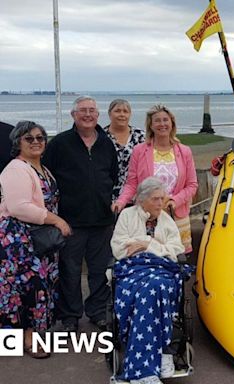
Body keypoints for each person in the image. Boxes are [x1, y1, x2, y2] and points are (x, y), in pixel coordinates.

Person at [43, 96, 118, 332]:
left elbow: (113, 176)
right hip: (69, 220)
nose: (88, 115)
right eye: (83, 110)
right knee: (70, 270)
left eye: (92, 111)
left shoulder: (107, 143)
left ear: (98, 115)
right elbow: (47, 176)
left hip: (102, 220)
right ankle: (70, 316)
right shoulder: (60, 143)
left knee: (99, 271)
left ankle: (97, 311)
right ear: (73, 115)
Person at [0, 121, 71, 358]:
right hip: (19, 240)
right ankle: (28, 338)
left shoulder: (41, 168)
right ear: (18, 142)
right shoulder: (16, 168)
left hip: (39, 239)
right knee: (28, 289)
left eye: (40, 137)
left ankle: (35, 332)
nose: (36, 142)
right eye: (29, 138)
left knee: (43, 287)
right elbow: (19, 207)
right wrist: (57, 221)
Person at [111, 177, 191, 384]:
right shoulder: (127, 216)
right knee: (151, 288)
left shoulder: (166, 220)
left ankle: (147, 365)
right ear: (142, 200)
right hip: (133, 270)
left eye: (162, 199)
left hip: (161, 270)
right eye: (155, 199)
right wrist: (154, 246)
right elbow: (119, 247)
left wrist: (146, 243)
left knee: (155, 286)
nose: (160, 203)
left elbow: (176, 250)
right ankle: (160, 354)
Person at [113, 104, 198, 254]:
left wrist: (175, 200)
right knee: (145, 253)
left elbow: (192, 185)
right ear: (151, 125)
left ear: (172, 123)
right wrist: (120, 202)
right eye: (157, 121)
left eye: (165, 120)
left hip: (175, 213)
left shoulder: (184, 151)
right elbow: (132, 183)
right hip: (147, 215)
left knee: (175, 256)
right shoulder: (140, 151)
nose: (162, 124)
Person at [104, 99, 145, 201]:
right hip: (108, 195)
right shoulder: (101, 137)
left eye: (125, 111)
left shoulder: (141, 136)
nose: (122, 114)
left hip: (137, 195)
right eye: (117, 111)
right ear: (110, 114)